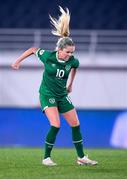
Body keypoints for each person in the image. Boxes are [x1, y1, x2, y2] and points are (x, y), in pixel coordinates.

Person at [11, 6, 98, 166]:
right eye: (68, 52)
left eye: (72, 52)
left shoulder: (72, 61)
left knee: (75, 124)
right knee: (56, 125)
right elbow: (32, 49)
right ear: (59, 50)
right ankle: (46, 158)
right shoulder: (48, 56)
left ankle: (81, 157)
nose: (70, 55)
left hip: (62, 95)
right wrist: (17, 61)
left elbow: (74, 68)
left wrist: (71, 84)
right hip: (47, 94)